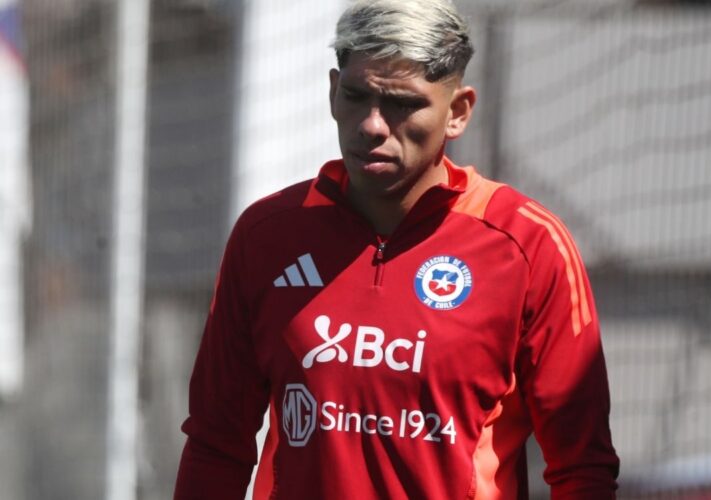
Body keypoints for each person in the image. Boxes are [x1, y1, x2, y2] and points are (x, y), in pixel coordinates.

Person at [174, 0, 620, 498]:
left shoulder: (528, 245)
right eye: (356, 95)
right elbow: (217, 443)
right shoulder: (267, 235)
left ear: (457, 113)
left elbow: (582, 468)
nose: (371, 125)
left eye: (402, 104)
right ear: (331, 93)